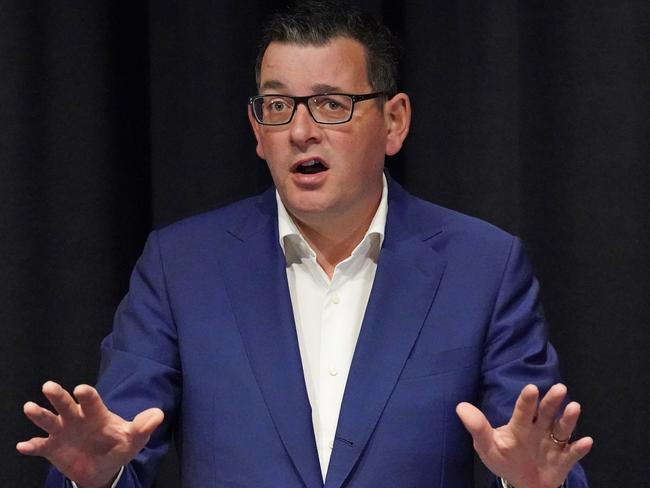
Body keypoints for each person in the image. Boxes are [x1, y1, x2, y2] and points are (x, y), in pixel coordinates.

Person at [17, 2, 593, 487]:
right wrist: (97, 477)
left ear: (394, 121)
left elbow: (540, 453)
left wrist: (529, 483)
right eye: (277, 105)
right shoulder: (181, 266)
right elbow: (117, 444)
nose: (300, 130)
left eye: (330, 104)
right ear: (256, 131)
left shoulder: (483, 267)